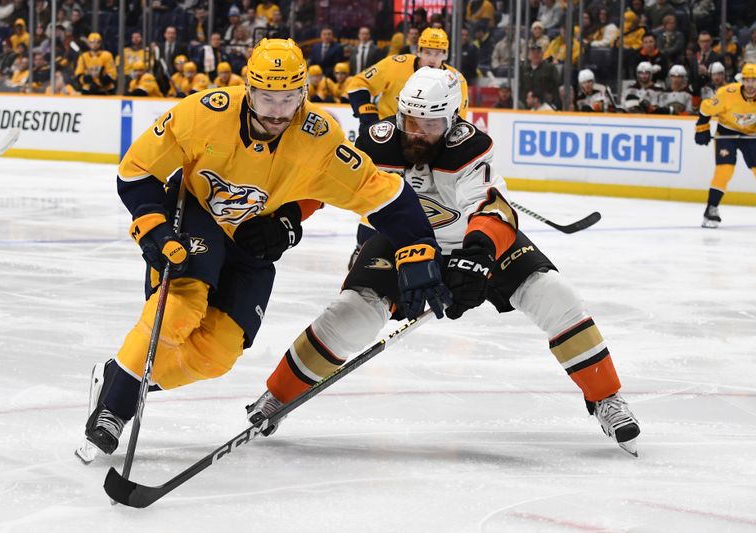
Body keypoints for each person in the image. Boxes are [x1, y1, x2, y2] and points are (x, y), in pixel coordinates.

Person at [76, 38, 451, 462]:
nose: (276, 110)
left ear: (303, 94)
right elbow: (136, 170)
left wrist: (419, 247)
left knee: (217, 355)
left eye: (288, 98)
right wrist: (153, 228)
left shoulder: (319, 137)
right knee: (182, 309)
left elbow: (380, 193)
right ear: (249, 90)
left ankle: (118, 377)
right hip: (198, 215)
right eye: (267, 97)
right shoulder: (204, 112)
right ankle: (115, 408)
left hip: (252, 240)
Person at [245, 67, 641, 456]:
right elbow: (328, 183)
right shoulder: (379, 142)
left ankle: (606, 397)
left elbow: (493, 210)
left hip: (470, 241)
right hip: (401, 240)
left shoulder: (469, 148)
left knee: (555, 295)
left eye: (429, 124)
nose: (416, 132)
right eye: (410, 120)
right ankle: (277, 396)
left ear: (452, 120)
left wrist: (478, 257)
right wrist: (289, 217)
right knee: (350, 314)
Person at [695, 63, 756, 228]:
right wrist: (702, 128)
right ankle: (711, 209)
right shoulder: (727, 93)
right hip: (728, 131)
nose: (750, 85)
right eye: (747, 80)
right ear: (742, 80)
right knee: (724, 169)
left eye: (754, 80)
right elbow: (706, 109)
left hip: (752, 134)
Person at [346, 27, 468, 140]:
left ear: (445, 54)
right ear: (418, 51)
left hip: (429, 141)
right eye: (427, 52)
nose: (432, 59)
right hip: (388, 134)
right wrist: (367, 113)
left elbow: (458, 121)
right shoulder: (395, 65)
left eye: (438, 53)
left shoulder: (456, 81)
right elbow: (359, 83)